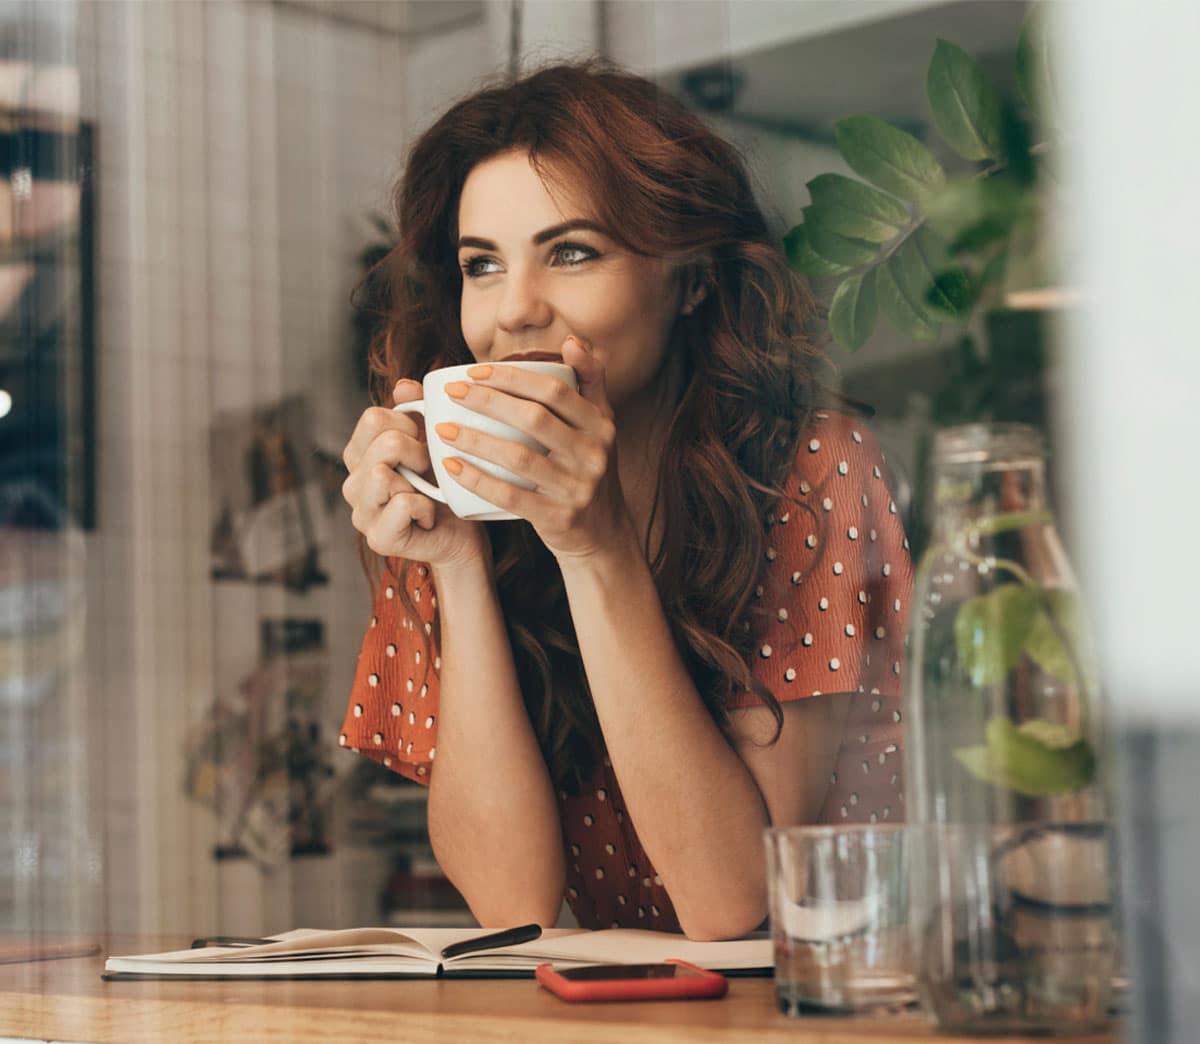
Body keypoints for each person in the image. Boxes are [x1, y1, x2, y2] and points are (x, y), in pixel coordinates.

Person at [338, 61, 913, 940]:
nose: (513, 312)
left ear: (690, 282)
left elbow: (732, 904)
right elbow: (511, 904)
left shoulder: (811, 470)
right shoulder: (461, 499)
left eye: (571, 252)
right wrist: (457, 566)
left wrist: (593, 547)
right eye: (481, 265)